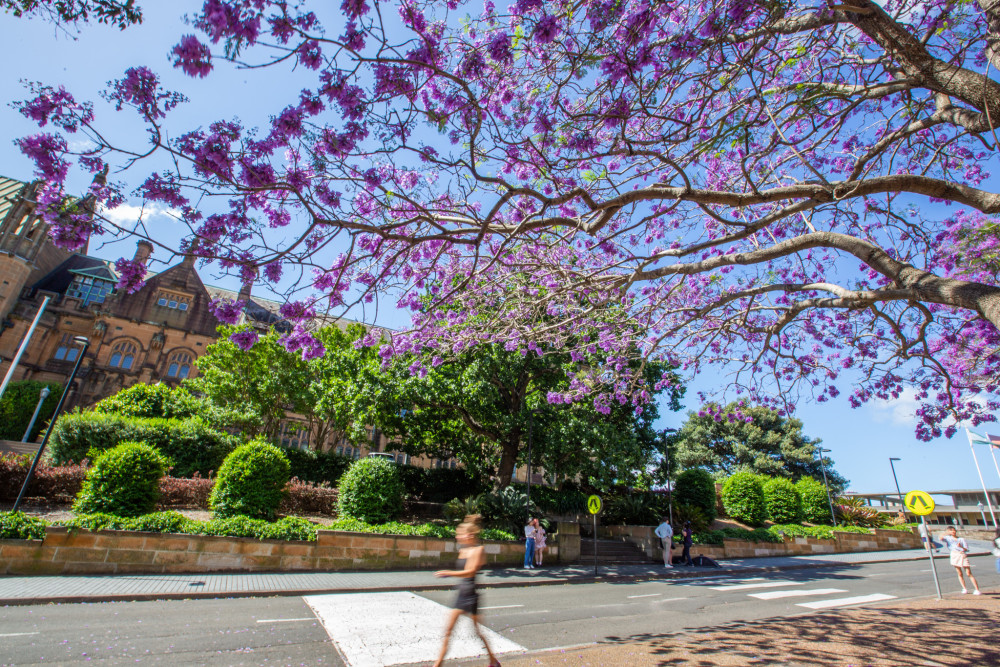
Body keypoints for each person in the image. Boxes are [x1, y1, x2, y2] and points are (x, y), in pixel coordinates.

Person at [433, 515, 501, 667]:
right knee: (448, 631)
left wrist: (448, 573)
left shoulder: (478, 550)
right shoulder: (463, 551)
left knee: (477, 632)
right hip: (461, 594)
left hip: (470, 595)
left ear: (469, 535)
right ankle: (437, 665)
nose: (457, 537)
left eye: (460, 534)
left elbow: (470, 572)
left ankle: (493, 660)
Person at [940, 526, 981, 595]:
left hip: (962, 554)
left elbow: (966, 549)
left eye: (954, 530)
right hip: (954, 554)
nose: (953, 531)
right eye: (951, 530)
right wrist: (946, 532)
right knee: (959, 573)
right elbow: (940, 538)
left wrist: (960, 546)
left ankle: (977, 589)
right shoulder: (948, 538)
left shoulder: (961, 539)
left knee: (968, 573)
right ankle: (964, 588)